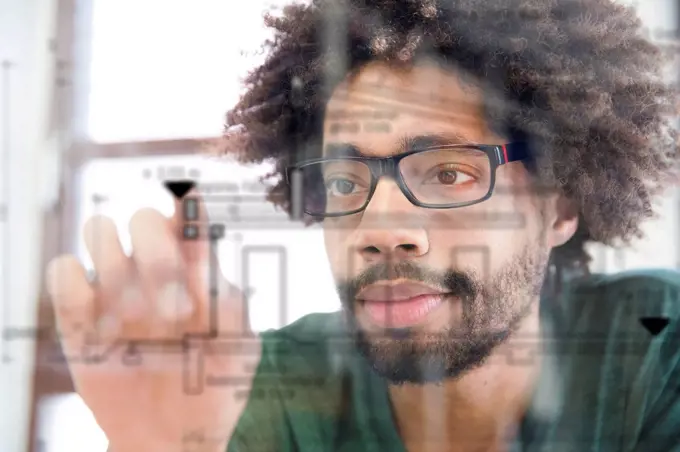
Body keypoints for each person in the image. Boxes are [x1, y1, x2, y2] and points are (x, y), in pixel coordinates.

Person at [46, 0, 680, 451]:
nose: (380, 227)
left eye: (449, 174)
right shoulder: (250, 393)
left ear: (560, 207)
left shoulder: (660, 351)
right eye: (345, 183)